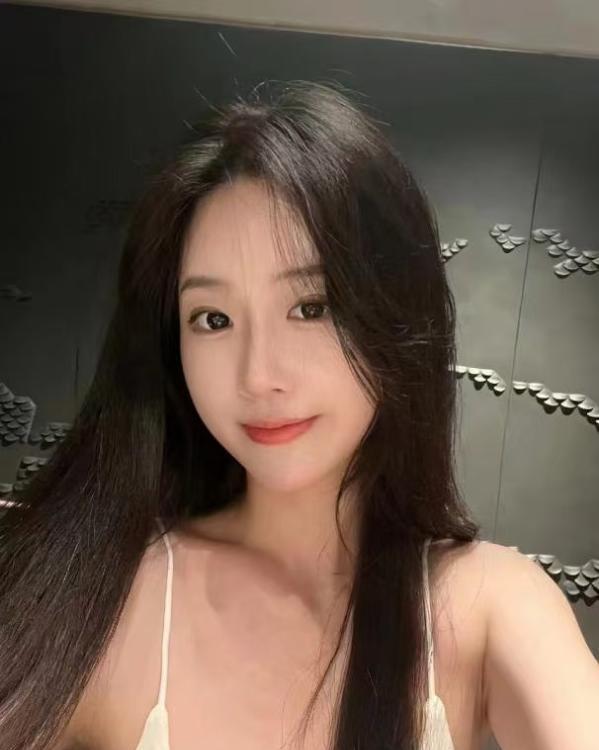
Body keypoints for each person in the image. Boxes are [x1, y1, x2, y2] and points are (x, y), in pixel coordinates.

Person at [0, 80, 597, 750]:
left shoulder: (484, 606)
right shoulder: (113, 597)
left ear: (396, 314)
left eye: (311, 307)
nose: (258, 376)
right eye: (213, 319)